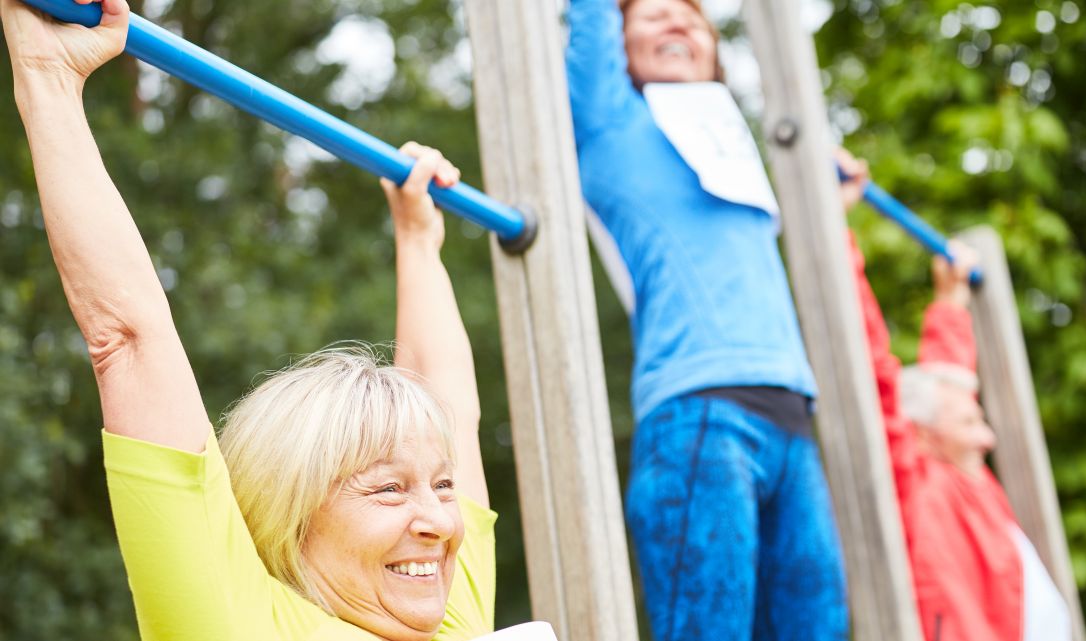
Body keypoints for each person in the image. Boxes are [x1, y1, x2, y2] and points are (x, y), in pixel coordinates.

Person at [1, 1, 496, 639]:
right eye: (389, 491)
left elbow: (448, 401)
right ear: (293, 517)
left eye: (443, 485)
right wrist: (46, 76)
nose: (440, 521)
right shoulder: (238, 622)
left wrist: (418, 240)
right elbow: (128, 338)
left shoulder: (453, 616)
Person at [565, 0, 862, 639]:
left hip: (794, 422)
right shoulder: (611, 122)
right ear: (619, 47)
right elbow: (588, 19)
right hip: (700, 414)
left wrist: (825, 194)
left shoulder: (731, 148)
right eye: (652, 16)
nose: (675, 23)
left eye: (692, 18)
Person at [848, 223, 1073, 641]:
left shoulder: (970, 478)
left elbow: (948, 389)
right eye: (970, 424)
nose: (987, 438)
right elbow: (875, 368)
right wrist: (837, 235)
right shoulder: (922, 481)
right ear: (924, 436)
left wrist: (951, 300)